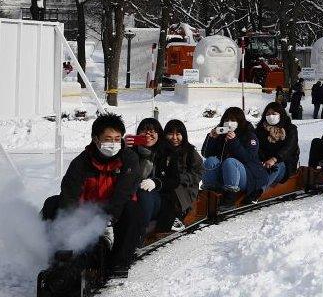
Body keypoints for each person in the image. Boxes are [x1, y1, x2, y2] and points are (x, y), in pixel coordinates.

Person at [40, 114, 141, 272]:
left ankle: (119, 261)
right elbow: (70, 194)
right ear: (96, 139)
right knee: (52, 204)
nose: (113, 143)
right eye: (108, 139)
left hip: (116, 210)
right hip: (86, 209)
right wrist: (69, 223)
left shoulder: (129, 159)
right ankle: (57, 257)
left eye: (117, 138)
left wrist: (109, 219)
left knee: (134, 210)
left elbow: (124, 192)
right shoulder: (81, 162)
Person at [201, 107, 270, 204]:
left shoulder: (250, 136)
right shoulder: (221, 133)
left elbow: (248, 158)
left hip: (247, 176)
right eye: (226, 120)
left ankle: (230, 197)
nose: (229, 122)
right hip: (224, 175)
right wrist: (211, 138)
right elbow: (206, 154)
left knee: (230, 162)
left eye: (233, 120)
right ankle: (209, 193)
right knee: (210, 160)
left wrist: (234, 141)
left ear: (240, 121)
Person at [150, 119, 204, 233]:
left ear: (183, 135)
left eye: (178, 134)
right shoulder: (161, 150)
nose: (174, 138)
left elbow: (200, 171)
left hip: (185, 187)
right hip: (164, 183)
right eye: (170, 134)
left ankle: (175, 218)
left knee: (173, 188)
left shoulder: (190, 152)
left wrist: (183, 178)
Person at [129, 118, 165, 237]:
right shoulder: (130, 151)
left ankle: (139, 234)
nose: (148, 135)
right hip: (131, 196)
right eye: (144, 131)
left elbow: (173, 179)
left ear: (158, 134)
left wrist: (156, 182)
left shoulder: (164, 153)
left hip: (155, 200)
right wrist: (122, 146)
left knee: (144, 192)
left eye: (152, 131)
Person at [255, 102, 299, 190]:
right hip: (264, 163)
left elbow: (289, 148)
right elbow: (257, 148)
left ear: (280, 114)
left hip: (285, 164)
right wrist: (262, 160)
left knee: (275, 167)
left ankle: (258, 191)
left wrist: (274, 159)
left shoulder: (290, 129)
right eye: (268, 114)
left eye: (273, 114)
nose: (270, 116)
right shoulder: (260, 130)